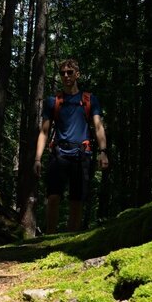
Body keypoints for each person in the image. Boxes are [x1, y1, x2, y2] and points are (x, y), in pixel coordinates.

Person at [34, 58, 108, 234]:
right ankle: (49, 238)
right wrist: (37, 158)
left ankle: (70, 239)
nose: (66, 76)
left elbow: (98, 126)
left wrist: (103, 152)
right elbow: (44, 132)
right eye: (62, 73)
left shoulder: (90, 100)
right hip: (58, 153)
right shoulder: (53, 101)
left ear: (77, 74)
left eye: (69, 72)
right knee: (52, 196)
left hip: (81, 155)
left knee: (76, 200)